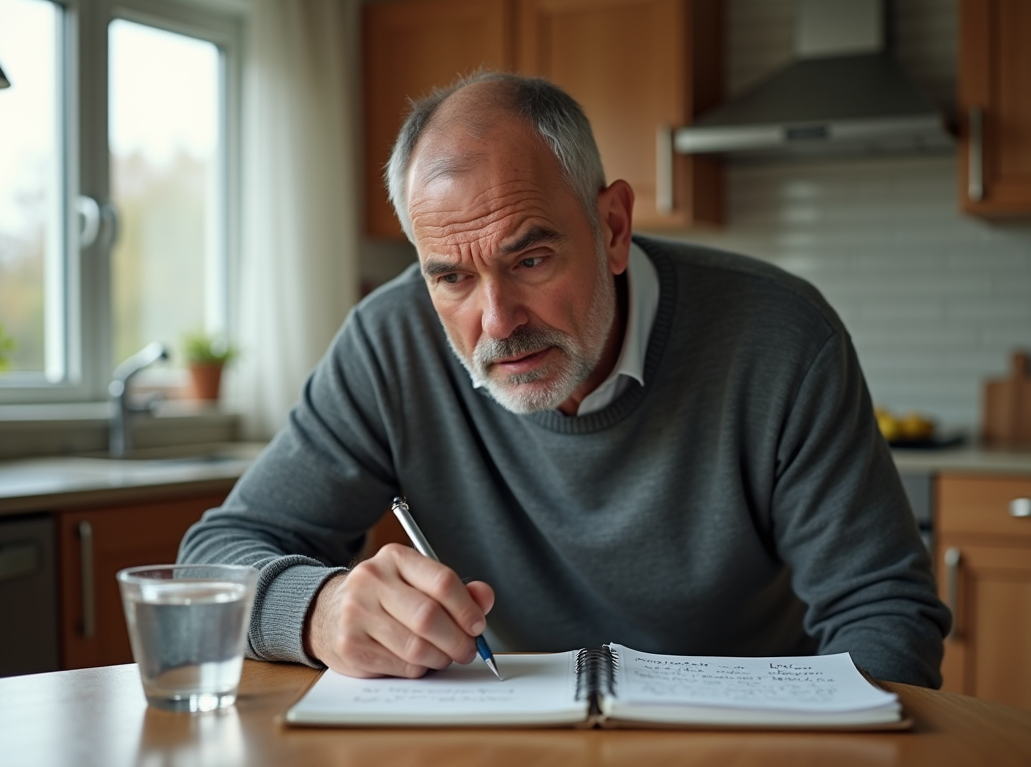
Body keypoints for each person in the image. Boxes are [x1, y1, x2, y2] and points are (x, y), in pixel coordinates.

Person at [179, 72, 951, 687]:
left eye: (531, 258)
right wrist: (318, 610)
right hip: (509, 732)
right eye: (450, 277)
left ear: (612, 227)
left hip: (746, 738)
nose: (497, 322)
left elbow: (885, 611)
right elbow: (214, 556)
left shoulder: (782, 337)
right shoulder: (389, 342)